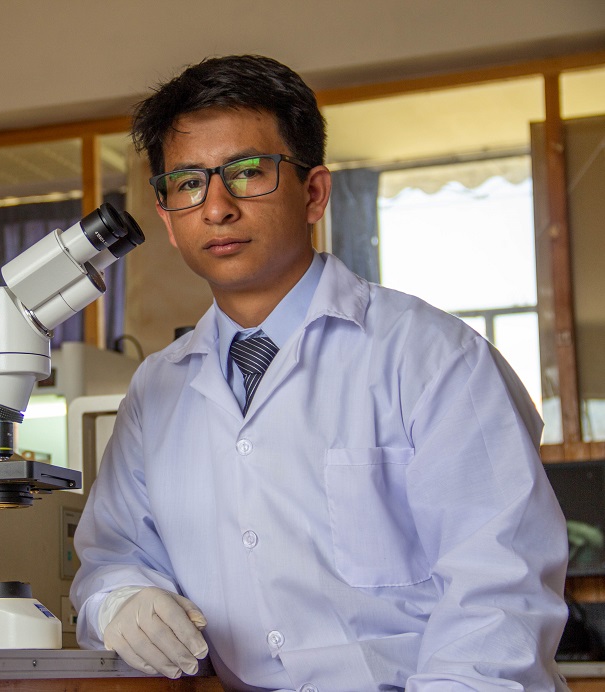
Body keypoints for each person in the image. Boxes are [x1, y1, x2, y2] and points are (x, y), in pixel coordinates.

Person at [69, 54, 570, 691]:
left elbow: (501, 594)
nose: (216, 206)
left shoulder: (433, 357)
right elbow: (113, 557)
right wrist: (119, 598)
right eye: (188, 182)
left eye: (247, 173)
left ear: (314, 193)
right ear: (167, 217)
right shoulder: (157, 389)